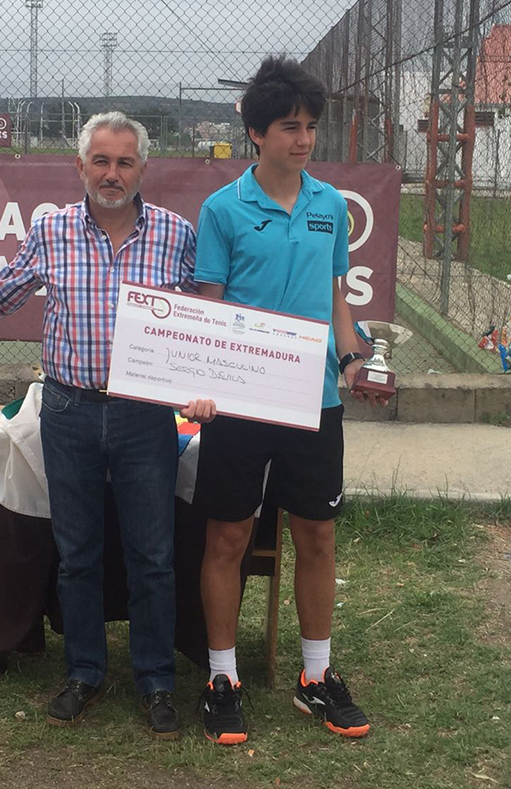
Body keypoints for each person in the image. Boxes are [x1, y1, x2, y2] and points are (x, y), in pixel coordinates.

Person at [0, 111, 213, 739]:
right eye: (101, 161)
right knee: (78, 554)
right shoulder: (51, 231)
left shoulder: (176, 235)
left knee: (154, 556)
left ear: (144, 168)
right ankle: (84, 671)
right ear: (80, 165)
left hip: (146, 419)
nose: (112, 174)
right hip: (69, 410)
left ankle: (156, 680)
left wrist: (203, 387)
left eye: (124, 162)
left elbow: (205, 324)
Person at [193, 55, 378, 745]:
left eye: (310, 127)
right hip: (241, 403)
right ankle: (221, 675)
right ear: (256, 134)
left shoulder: (331, 206)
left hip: (315, 400)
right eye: (288, 127)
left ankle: (315, 675)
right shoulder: (222, 209)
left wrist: (354, 353)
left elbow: (338, 302)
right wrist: (203, 387)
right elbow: (208, 308)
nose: (303, 140)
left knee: (317, 535)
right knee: (229, 535)